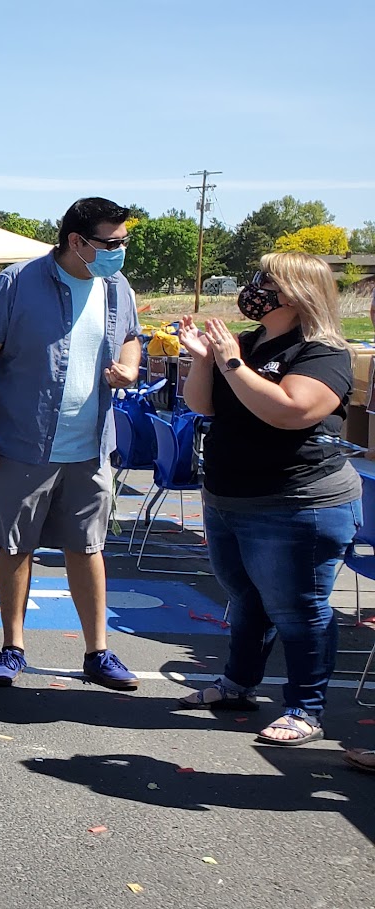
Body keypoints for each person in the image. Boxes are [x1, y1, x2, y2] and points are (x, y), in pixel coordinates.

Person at [173, 253, 362, 746]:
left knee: (299, 609)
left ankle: (305, 707)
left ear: (298, 293)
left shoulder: (321, 351)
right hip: (231, 497)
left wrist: (231, 361)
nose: (253, 288)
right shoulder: (251, 342)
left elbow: (291, 411)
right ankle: (238, 684)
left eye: (265, 281)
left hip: (298, 502)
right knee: (247, 599)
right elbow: (203, 405)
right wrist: (201, 359)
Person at [0, 196, 144, 690]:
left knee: (87, 548)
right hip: (23, 441)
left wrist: (129, 366)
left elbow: (131, 334)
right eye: (111, 243)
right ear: (76, 241)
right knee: (16, 545)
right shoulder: (18, 282)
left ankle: (98, 652)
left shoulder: (116, 286)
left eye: (123, 242)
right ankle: (13, 646)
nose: (119, 251)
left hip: (89, 445)